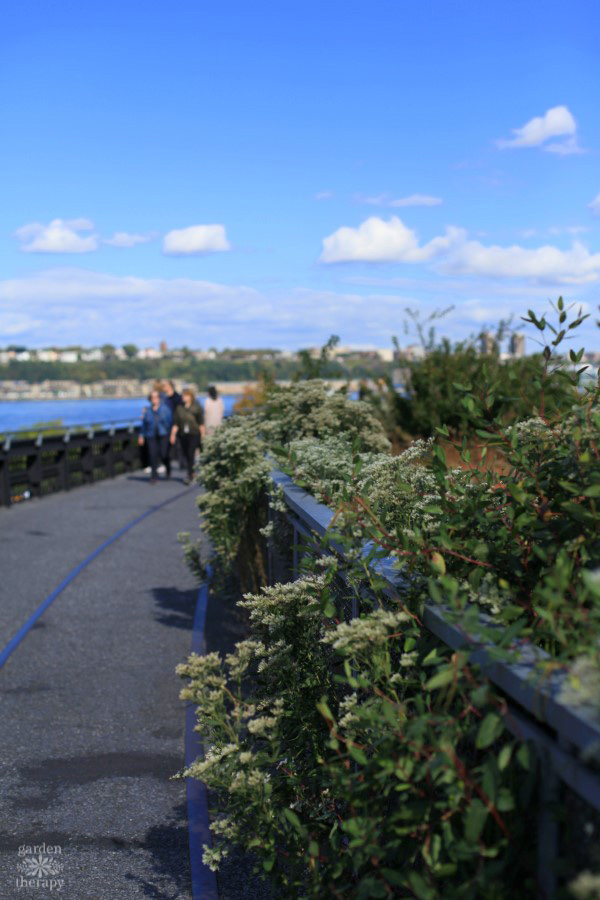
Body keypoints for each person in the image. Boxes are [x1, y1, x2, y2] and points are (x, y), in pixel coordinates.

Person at [170, 388, 205, 484]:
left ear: (190, 397)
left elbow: (201, 422)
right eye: (183, 395)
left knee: (191, 453)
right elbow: (175, 423)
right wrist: (172, 435)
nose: (183, 397)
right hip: (183, 434)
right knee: (185, 454)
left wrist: (203, 435)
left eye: (185, 395)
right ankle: (192, 472)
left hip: (194, 433)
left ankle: (190, 474)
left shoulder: (196, 407)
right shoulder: (179, 408)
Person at [138, 389, 173, 483]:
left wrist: (171, 435)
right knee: (152, 455)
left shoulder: (165, 409)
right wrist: (141, 435)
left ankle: (168, 468)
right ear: (150, 399)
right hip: (151, 435)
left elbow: (170, 422)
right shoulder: (147, 410)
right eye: (152, 397)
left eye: (156, 397)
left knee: (163, 454)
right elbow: (144, 424)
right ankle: (154, 476)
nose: (154, 399)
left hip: (163, 435)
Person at [162, 379, 185, 469]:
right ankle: (167, 464)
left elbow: (181, 411)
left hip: (177, 424)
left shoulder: (177, 398)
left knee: (179, 444)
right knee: (166, 446)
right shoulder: (164, 398)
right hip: (166, 425)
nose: (163, 387)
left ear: (170, 386)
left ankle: (182, 463)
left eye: (165, 385)